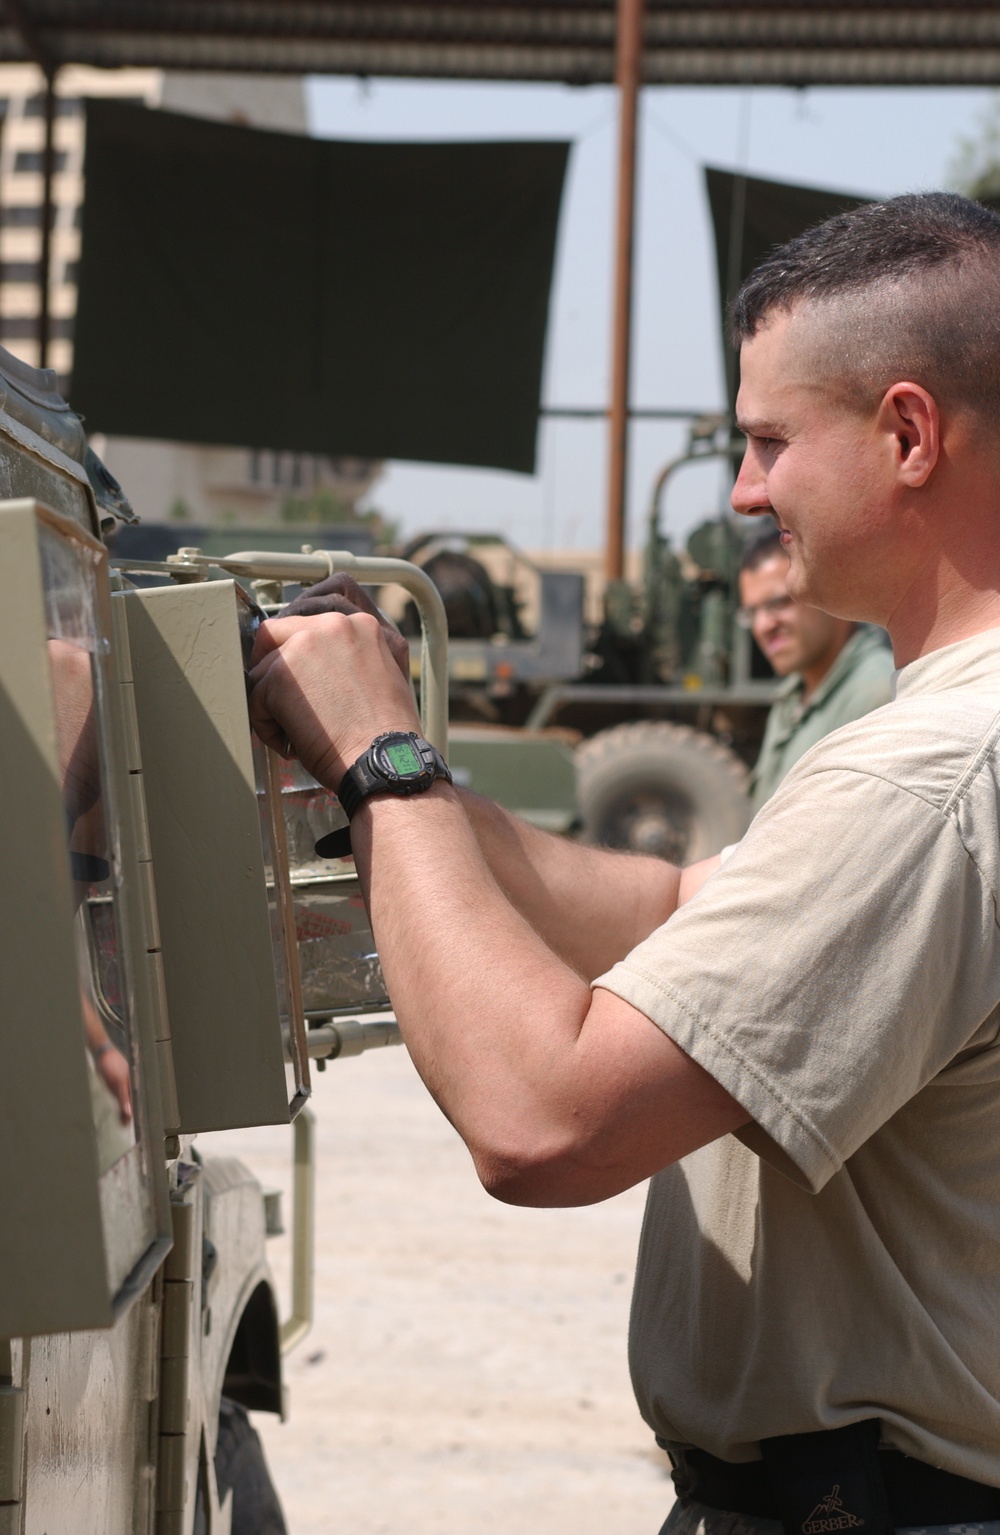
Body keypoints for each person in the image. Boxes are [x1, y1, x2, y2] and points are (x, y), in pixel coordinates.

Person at [250, 191, 1000, 1535]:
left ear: (905, 433)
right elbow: (665, 902)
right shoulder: (943, 738)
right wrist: (380, 772)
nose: (746, 491)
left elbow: (545, 1119)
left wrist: (386, 766)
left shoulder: (927, 773)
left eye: (770, 440)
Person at [738, 527, 893, 809]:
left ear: (832, 592)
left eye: (780, 603)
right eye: (752, 612)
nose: (763, 626)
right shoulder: (791, 696)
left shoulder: (877, 694)